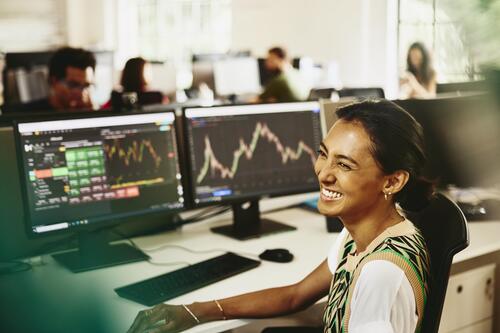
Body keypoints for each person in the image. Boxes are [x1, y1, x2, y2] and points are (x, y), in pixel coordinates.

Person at [127, 99, 433, 333]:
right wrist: (195, 311)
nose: (323, 173)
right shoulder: (362, 237)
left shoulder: (380, 273)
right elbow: (295, 295)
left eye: (344, 165)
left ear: (392, 181)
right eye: (323, 153)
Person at [21, 47, 96, 111]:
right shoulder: (25, 114)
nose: (82, 93)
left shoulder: (91, 108)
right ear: (53, 82)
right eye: (73, 85)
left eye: (86, 86)